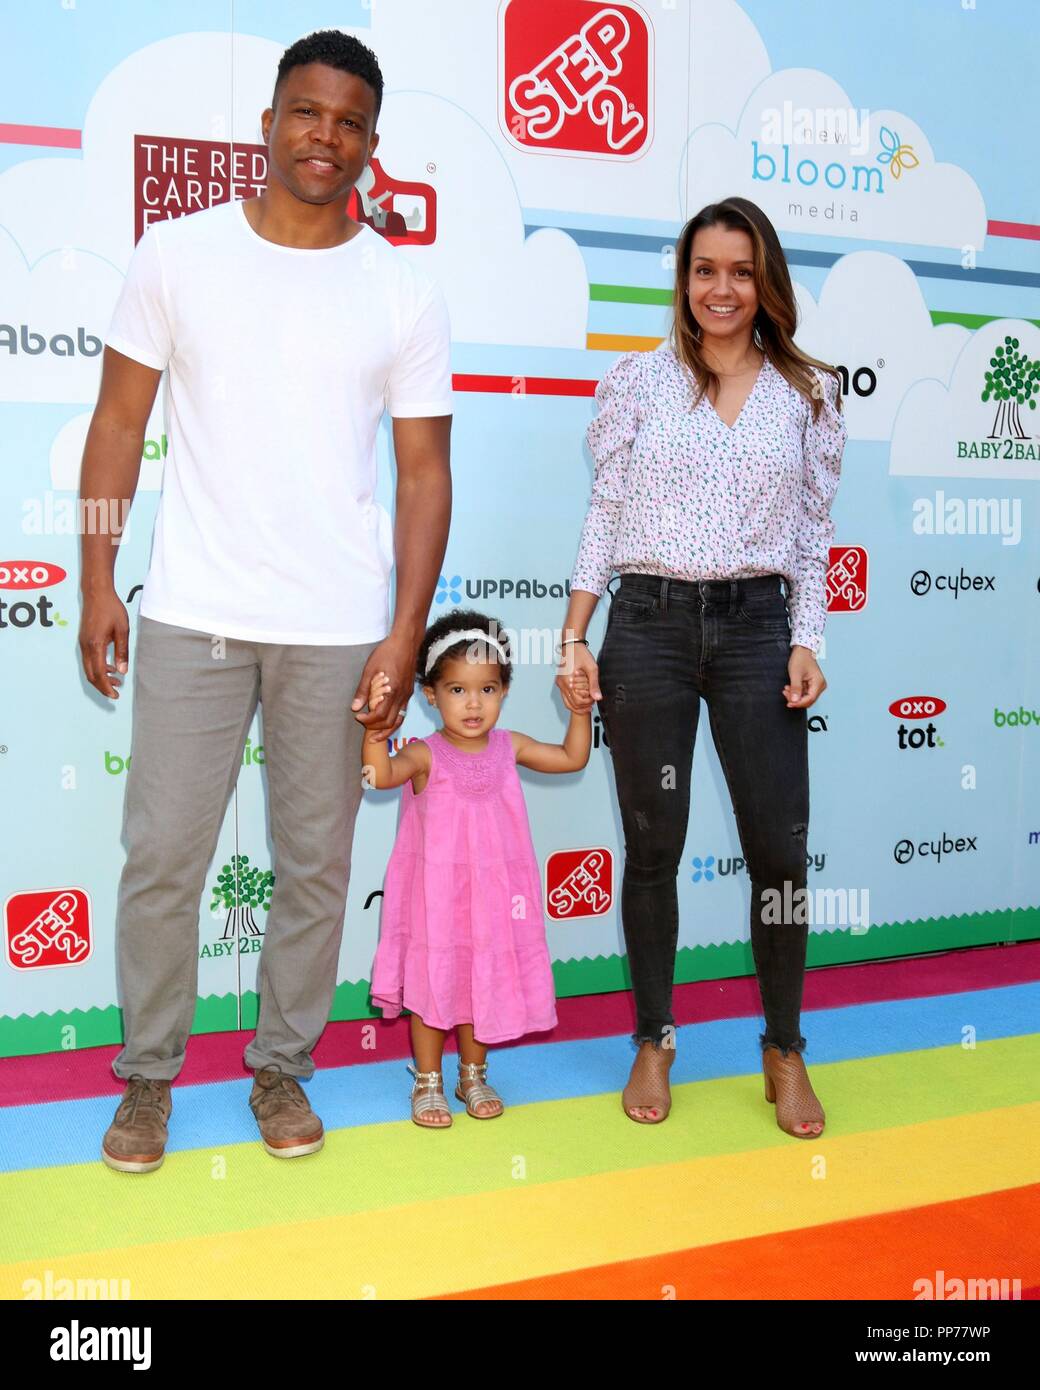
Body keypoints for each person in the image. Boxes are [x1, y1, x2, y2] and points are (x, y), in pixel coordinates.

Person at [79, 30, 453, 1172]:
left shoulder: (399, 287)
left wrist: (401, 631)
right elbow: (114, 427)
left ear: (370, 147)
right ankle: (146, 1082)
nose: (322, 138)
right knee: (161, 862)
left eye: (346, 123)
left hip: (338, 629)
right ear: (269, 121)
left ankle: (281, 1066)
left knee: (316, 865)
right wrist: (97, 575)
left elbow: (425, 473)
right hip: (192, 613)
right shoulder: (176, 254)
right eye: (305, 113)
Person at [555, 196, 847, 1137]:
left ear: (766, 281)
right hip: (646, 626)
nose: (721, 289)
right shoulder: (636, 382)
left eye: (739, 270)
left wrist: (811, 637)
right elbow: (604, 512)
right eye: (703, 269)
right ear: (682, 280)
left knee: (780, 855)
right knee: (653, 848)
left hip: (758, 628)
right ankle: (654, 1036)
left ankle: (785, 1049)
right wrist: (574, 632)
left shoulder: (809, 393)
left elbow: (813, 531)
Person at [362, 611, 591, 1127]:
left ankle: (473, 1073)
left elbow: (573, 758)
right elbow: (377, 777)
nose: (473, 703)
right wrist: (376, 729)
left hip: (495, 902)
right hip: (436, 904)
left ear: (504, 692)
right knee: (432, 984)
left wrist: (580, 711)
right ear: (429, 694)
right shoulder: (424, 755)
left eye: (487, 689)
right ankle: (427, 1081)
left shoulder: (511, 748)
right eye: (457, 689)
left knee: (480, 980)